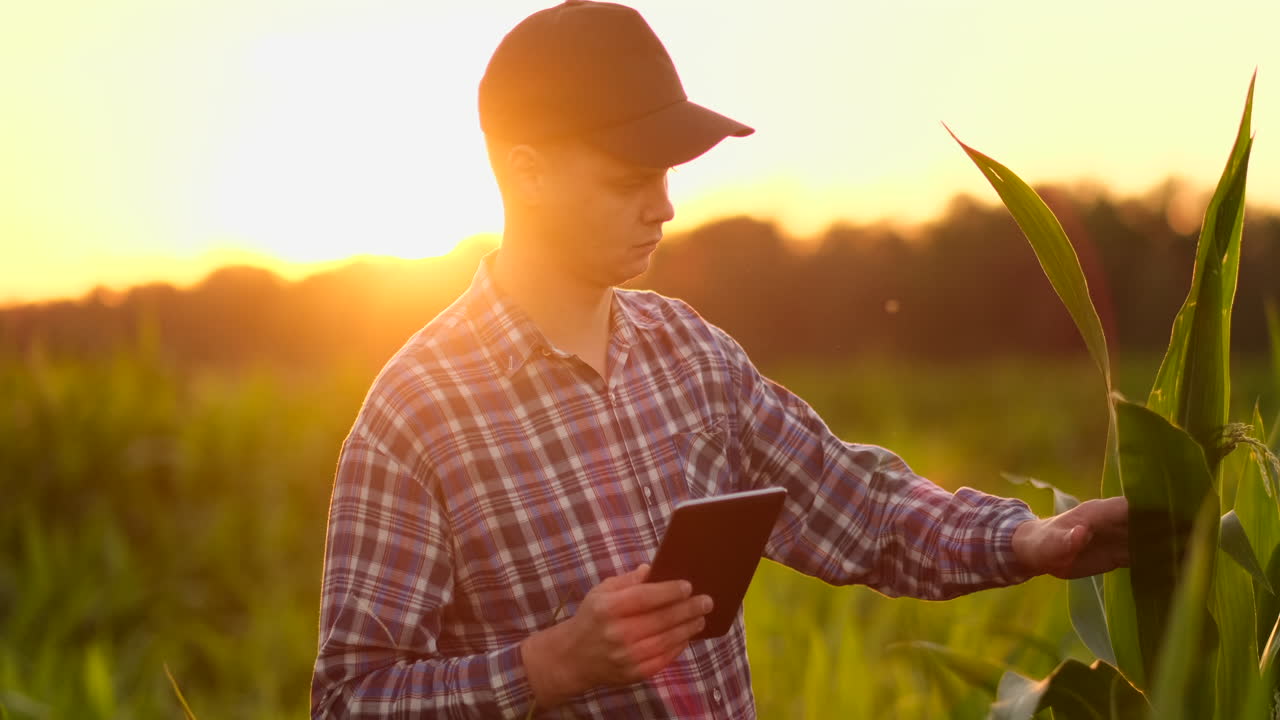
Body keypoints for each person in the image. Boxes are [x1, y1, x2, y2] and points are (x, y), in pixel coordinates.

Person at [310, 2, 1129, 717]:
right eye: (629, 178)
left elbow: (862, 509)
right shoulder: (414, 416)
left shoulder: (691, 356)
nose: (664, 206)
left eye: (666, 175)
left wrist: (1029, 540)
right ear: (527, 173)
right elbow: (351, 701)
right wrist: (547, 666)